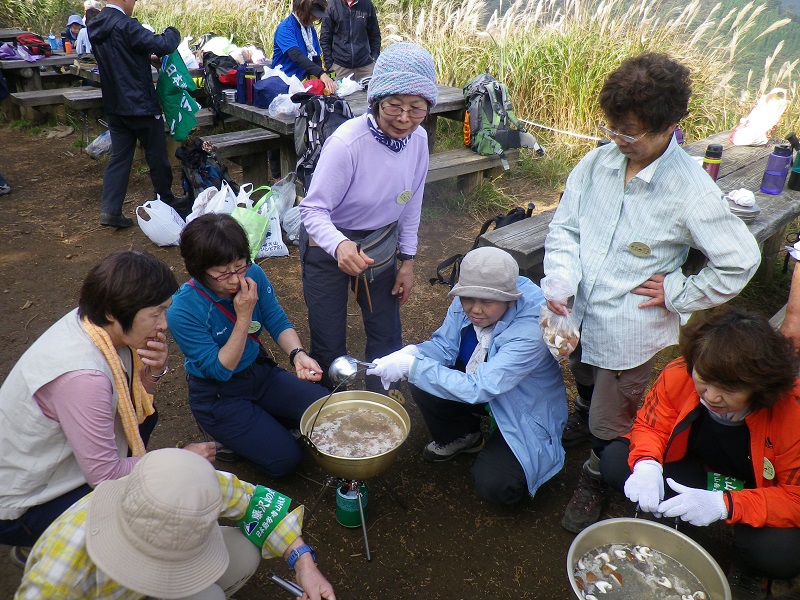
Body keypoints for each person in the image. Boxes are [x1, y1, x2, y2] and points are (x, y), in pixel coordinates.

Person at [542, 52, 762, 534]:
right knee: (581, 370)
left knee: (613, 414)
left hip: (631, 328)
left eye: (631, 132)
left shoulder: (690, 191)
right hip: (580, 311)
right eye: (614, 127)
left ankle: (600, 468)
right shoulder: (598, 163)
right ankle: (584, 416)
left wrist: (680, 290)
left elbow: (740, 259)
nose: (619, 140)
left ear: (670, 126)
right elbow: (566, 230)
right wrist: (560, 278)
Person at [0, 251, 215, 561]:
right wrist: (177, 460)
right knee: (144, 512)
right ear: (114, 312)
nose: (164, 324)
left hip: (57, 465)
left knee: (147, 419)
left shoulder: (93, 323)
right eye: (155, 313)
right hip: (22, 504)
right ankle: (44, 543)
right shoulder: (82, 376)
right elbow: (105, 475)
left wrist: (153, 372)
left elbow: (131, 406)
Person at [601, 307, 800, 596]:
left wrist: (725, 504)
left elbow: (795, 496)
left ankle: (749, 570)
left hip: (759, 488)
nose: (712, 396)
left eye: (730, 389)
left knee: (779, 553)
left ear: (760, 386)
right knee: (618, 461)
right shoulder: (679, 374)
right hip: (696, 467)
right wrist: (647, 464)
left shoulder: (792, 412)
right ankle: (675, 520)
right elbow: (651, 425)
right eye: (704, 381)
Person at [367, 247, 567, 504]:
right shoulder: (468, 294)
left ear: (510, 299)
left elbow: (481, 387)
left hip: (523, 407)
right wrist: (412, 353)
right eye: (468, 299)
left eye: (487, 301)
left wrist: (412, 367)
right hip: (482, 384)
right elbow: (444, 347)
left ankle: (525, 453)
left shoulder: (533, 325)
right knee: (424, 375)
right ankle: (464, 434)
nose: (475, 309)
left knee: (497, 485)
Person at [16, 448, 336, 600]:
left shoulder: (189, 484)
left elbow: (256, 505)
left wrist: (304, 565)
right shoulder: (58, 578)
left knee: (239, 561)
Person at [299, 42, 437, 393]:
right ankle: (330, 413)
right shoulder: (348, 143)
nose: (404, 118)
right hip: (329, 242)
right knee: (329, 344)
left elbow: (411, 203)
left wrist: (407, 261)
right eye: (394, 105)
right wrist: (339, 244)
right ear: (376, 101)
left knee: (387, 336)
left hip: (379, 244)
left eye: (416, 108)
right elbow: (312, 210)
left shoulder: (418, 140)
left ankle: (381, 407)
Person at [167, 214, 327, 478]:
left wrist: (298, 354)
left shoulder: (253, 273)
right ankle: (225, 434)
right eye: (222, 273)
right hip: (219, 394)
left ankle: (262, 420)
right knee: (286, 461)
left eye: (240, 266)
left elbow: (275, 317)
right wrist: (243, 317)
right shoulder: (182, 310)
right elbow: (220, 369)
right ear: (199, 270)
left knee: (323, 409)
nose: (235, 280)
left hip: (259, 372)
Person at [88, 0, 184, 228]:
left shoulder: (95, 25)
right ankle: (166, 199)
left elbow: (119, 54)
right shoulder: (126, 25)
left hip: (114, 105)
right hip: (140, 104)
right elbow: (163, 44)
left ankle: (110, 210)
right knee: (157, 155)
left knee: (120, 157)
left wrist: (143, 58)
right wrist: (173, 31)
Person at [272, 0, 336, 95]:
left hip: (301, 85)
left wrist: (321, 82)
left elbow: (316, 57)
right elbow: (296, 56)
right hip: (283, 84)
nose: (315, 18)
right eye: (312, 14)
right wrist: (321, 73)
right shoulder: (285, 28)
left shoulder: (309, 29)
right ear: (301, 10)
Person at [320, 0, 381, 82]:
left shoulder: (367, 4)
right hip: (339, 66)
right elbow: (325, 37)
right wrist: (329, 64)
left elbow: (375, 35)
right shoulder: (331, 5)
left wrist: (374, 59)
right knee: (338, 94)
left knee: (370, 94)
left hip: (366, 66)